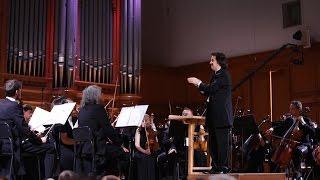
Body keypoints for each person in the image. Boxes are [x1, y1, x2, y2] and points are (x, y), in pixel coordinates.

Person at [0, 79, 57, 179]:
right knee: (50, 148)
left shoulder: (0, 103)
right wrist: (39, 140)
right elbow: (24, 130)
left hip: (2, 144)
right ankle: (48, 178)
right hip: (14, 145)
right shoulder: (14, 106)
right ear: (17, 92)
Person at [187, 52, 233, 174]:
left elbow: (211, 89)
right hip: (213, 116)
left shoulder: (223, 75)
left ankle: (222, 167)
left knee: (221, 144)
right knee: (213, 144)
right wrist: (200, 87)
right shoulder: (215, 75)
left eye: (212, 60)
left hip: (221, 116)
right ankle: (216, 167)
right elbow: (209, 91)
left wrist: (198, 82)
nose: (210, 62)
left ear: (219, 61)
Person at [77, 85, 129, 177]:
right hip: (97, 149)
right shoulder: (98, 109)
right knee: (124, 154)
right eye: (101, 93)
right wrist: (120, 143)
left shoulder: (82, 110)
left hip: (85, 149)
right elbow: (108, 130)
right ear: (95, 95)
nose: (102, 95)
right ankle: (116, 176)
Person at [266, 100, 315, 177]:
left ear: (299, 110)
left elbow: (312, 131)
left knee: (297, 151)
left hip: (304, 145)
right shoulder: (289, 120)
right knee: (272, 154)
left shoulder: (306, 120)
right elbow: (280, 126)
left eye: (292, 108)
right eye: (290, 108)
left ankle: (298, 174)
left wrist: (303, 123)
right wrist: (273, 129)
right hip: (290, 144)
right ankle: (274, 176)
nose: (290, 110)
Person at [134, 114, 157, 180]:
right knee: (144, 159)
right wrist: (145, 151)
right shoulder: (138, 130)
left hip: (149, 152)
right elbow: (137, 145)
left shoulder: (150, 130)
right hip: (141, 153)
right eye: (142, 121)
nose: (143, 123)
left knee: (152, 158)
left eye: (145, 121)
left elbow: (155, 142)